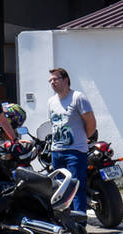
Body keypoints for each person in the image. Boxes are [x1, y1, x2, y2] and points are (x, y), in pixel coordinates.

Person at [46, 67, 96, 216]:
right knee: (60, 189)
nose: (52, 83)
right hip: (57, 151)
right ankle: (65, 220)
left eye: (55, 79)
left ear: (65, 80)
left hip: (75, 151)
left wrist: (82, 138)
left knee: (75, 186)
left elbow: (91, 123)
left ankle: (79, 221)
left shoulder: (77, 97)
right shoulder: (51, 101)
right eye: (50, 81)